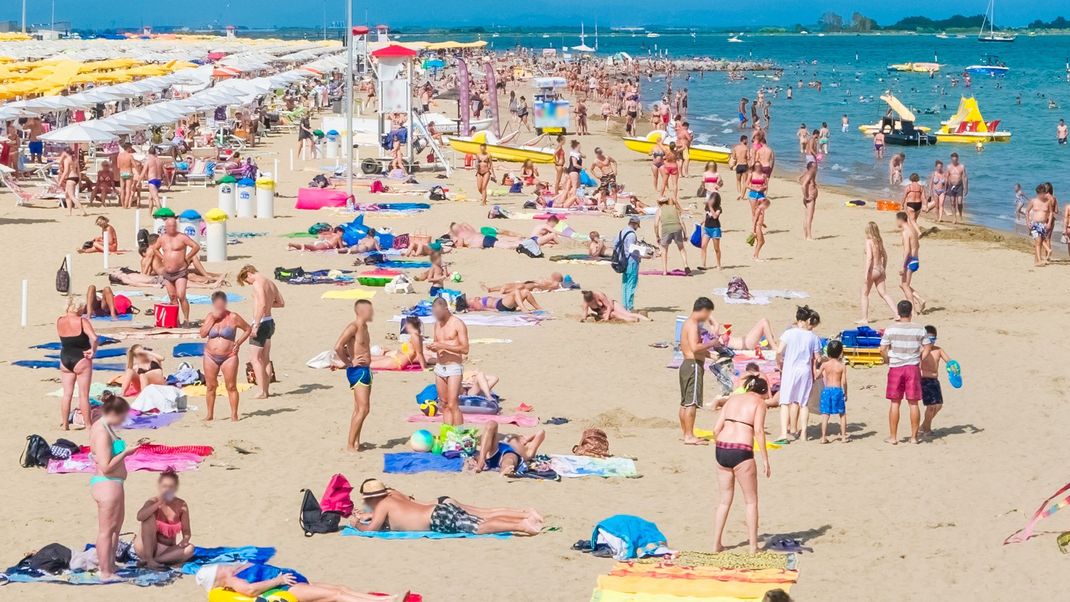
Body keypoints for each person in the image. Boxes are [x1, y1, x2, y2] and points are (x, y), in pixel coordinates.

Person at [349, 479, 542, 536]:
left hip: (436, 517)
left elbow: (372, 529)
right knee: (484, 518)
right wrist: (368, 515)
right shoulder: (392, 496)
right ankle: (522, 519)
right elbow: (396, 513)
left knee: (480, 527)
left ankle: (523, 525)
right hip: (437, 511)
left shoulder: (383, 505)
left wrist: (358, 524)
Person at [712, 375, 770, 554]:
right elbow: (759, 430)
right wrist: (765, 460)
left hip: (722, 448)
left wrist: (721, 444)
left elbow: (715, 430)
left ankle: (716, 544)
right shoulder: (759, 403)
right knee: (751, 501)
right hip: (741, 449)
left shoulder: (732, 399)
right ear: (762, 392)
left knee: (724, 501)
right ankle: (753, 547)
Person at [89, 393, 140, 582]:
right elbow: (106, 465)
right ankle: (105, 571)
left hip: (114, 484)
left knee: (115, 529)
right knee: (106, 531)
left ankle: (110, 565)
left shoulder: (106, 427)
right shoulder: (101, 431)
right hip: (106, 484)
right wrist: (127, 452)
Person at [195, 562, 391, 601]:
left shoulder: (232, 571)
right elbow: (250, 591)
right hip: (286, 586)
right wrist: (278, 579)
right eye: (218, 569)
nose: (221, 566)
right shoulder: (232, 580)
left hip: (289, 579)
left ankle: (380, 599)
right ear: (217, 576)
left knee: (338, 589)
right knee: (336, 594)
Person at [880, 300, 931, 445]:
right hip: (912, 367)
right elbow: (927, 347)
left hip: (896, 366)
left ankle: (893, 437)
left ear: (898, 311)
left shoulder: (891, 329)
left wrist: (886, 360)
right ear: (910, 312)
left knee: (895, 402)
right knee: (913, 403)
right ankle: (914, 437)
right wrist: (921, 357)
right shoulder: (919, 329)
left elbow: (882, 349)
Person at [200, 291, 252, 421]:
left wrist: (238, 343)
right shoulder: (210, 316)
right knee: (211, 386)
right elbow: (202, 334)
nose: (219, 307)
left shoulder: (233, 317)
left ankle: (234, 415)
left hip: (229, 356)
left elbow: (248, 329)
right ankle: (210, 414)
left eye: (221, 304)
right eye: (216, 304)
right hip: (210, 356)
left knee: (231, 386)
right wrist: (212, 319)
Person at [776, 306, 822, 442]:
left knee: (785, 402)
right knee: (803, 403)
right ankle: (803, 434)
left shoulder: (789, 333)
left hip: (790, 370)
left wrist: (778, 363)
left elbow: (779, 351)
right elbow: (818, 357)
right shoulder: (813, 337)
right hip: (805, 371)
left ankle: (784, 433)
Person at [333, 300, 374, 451]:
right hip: (358, 371)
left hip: (365, 370)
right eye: (369, 310)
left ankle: (356, 442)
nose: (372, 313)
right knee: (363, 409)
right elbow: (338, 346)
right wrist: (349, 362)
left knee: (359, 409)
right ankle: (350, 445)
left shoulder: (365, 327)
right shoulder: (354, 327)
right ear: (361, 311)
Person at [238, 265, 284, 398]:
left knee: (255, 359)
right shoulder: (270, 282)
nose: (248, 283)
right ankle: (266, 390)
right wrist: (269, 305)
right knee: (265, 358)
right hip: (269, 322)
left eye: (247, 281)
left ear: (249, 273)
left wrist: (256, 325)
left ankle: (261, 391)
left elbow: (263, 305)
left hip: (262, 323)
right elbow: (281, 303)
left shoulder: (258, 283)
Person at [146, 215, 201, 326]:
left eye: (173, 225)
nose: (172, 228)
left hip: (180, 271)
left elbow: (196, 246)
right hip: (167, 272)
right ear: (166, 227)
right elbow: (155, 248)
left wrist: (187, 257)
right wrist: (162, 257)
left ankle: (186, 320)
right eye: (169, 226)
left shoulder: (182, 237)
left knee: (181, 295)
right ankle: (176, 321)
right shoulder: (162, 238)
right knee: (172, 297)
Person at [679, 297, 719, 445]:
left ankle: (686, 433)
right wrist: (712, 343)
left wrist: (709, 355)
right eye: (708, 313)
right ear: (703, 311)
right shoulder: (693, 324)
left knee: (685, 402)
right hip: (693, 365)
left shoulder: (687, 323)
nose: (708, 317)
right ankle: (689, 436)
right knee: (691, 402)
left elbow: (690, 347)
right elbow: (695, 347)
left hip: (686, 364)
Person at [134, 470, 194, 568]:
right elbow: (140, 516)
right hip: (147, 547)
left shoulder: (182, 505)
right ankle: (148, 558)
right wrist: (158, 504)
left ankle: (152, 561)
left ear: (175, 488)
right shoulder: (153, 501)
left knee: (190, 549)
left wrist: (185, 540)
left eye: (170, 487)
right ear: (159, 486)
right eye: (164, 486)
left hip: (166, 550)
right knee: (148, 517)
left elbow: (187, 532)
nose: (167, 490)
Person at [57, 297, 98, 430]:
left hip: (65, 358)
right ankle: (88, 424)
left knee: (67, 393)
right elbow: (94, 338)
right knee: (83, 394)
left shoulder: (59, 321)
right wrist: (93, 350)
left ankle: (65, 424)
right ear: (79, 308)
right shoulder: (82, 321)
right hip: (81, 358)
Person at [428, 297, 468, 426]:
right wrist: (433, 347)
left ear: (446, 309)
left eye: (439, 313)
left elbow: (465, 348)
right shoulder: (437, 324)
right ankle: (448, 435)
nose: (437, 317)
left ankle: (459, 435)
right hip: (440, 367)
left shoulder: (457, 323)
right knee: (444, 403)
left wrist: (443, 346)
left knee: (452, 404)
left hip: (454, 367)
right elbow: (438, 343)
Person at [858, 221, 898, 325]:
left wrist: (866, 273)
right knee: (884, 293)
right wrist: (884, 269)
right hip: (880, 269)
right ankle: (897, 313)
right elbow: (885, 256)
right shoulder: (879, 241)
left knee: (864, 293)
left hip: (873, 269)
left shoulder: (869, 241)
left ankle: (864, 318)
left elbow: (869, 258)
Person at [470, 422, 546, 475]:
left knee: (509, 458)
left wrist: (528, 438)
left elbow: (541, 432)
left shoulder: (529, 450)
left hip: (510, 454)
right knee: (491, 424)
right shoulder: (512, 440)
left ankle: (506, 469)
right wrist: (524, 438)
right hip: (496, 450)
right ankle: (481, 461)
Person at [919, 325, 950, 436]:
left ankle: (923, 426)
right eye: (929, 339)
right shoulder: (920, 351)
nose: (931, 342)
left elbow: (950, 362)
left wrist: (954, 369)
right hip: (924, 381)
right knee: (931, 406)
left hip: (934, 381)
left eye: (933, 339)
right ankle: (927, 429)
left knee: (938, 405)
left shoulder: (938, 350)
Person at [816, 340, 848, 443]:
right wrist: (846, 392)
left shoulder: (825, 364)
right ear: (840, 353)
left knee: (825, 414)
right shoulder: (842, 366)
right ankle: (843, 436)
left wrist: (814, 366)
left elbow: (817, 376)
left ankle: (823, 437)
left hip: (827, 390)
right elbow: (844, 381)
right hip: (837, 390)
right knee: (842, 414)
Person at [654, 197, 691, 276]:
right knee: (681, 248)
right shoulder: (675, 209)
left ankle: (664, 271)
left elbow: (656, 225)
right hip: (677, 228)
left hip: (666, 229)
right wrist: (685, 234)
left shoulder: (659, 210)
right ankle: (686, 265)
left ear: (659, 204)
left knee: (664, 250)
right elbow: (682, 222)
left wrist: (657, 236)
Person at [896, 212, 925, 313]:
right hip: (915, 259)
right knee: (903, 284)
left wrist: (902, 265)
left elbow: (907, 250)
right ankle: (920, 299)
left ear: (900, 220)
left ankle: (912, 311)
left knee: (905, 286)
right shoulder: (913, 230)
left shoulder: (905, 232)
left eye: (896, 220)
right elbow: (918, 246)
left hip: (910, 260)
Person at [616, 216, 641, 311]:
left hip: (622, 260)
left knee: (625, 283)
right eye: (637, 226)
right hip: (631, 261)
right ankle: (629, 306)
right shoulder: (632, 235)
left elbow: (615, 244)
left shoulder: (621, 232)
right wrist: (643, 252)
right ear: (635, 224)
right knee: (631, 283)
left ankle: (624, 305)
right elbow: (632, 249)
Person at [579, 289, 649, 322]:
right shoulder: (586, 301)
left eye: (592, 302)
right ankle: (633, 320)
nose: (590, 304)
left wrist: (606, 316)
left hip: (612, 304)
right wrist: (583, 319)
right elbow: (584, 312)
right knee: (615, 314)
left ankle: (646, 319)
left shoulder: (599, 295)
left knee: (626, 313)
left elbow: (609, 306)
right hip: (602, 312)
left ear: (594, 297)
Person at [1026, 184, 1052, 267]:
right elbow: (1027, 211)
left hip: (1043, 225)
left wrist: (1049, 223)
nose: (1042, 195)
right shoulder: (1033, 201)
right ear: (1037, 193)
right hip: (1034, 224)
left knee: (1040, 243)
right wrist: (1028, 222)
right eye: (1040, 193)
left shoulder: (1048, 202)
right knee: (1038, 242)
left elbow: (1051, 212)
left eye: (1043, 193)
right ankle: (1039, 261)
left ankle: (1036, 261)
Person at [58, 146, 86, 216]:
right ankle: (69, 212)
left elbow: (65, 171)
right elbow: (78, 171)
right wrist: (79, 181)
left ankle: (82, 211)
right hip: (75, 177)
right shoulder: (75, 159)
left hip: (70, 178)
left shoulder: (67, 160)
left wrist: (60, 181)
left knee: (72, 196)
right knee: (67, 195)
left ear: (65, 152)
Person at [701, 191, 723, 270]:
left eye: (712, 199)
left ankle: (718, 264)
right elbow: (705, 215)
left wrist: (710, 208)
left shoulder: (719, 208)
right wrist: (701, 222)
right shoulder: (707, 206)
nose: (710, 201)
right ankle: (703, 264)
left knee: (716, 249)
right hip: (707, 228)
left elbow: (715, 217)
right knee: (703, 246)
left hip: (715, 229)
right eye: (710, 199)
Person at [139, 147, 164, 211]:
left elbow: (143, 172)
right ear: (155, 153)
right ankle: (149, 214)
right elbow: (164, 171)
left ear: (148, 153)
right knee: (150, 197)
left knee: (156, 198)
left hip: (152, 181)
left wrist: (138, 182)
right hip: (159, 180)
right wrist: (167, 181)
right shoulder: (159, 161)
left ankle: (162, 214)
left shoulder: (148, 161)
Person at [945, 152, 968, 225]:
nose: (954, 161)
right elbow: (946, 177)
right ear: (951, 159)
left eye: (955, 159)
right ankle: (954, 217)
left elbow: (965, 177)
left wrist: (966, 188)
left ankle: (960, 214)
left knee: (959, 202)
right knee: (952, 202)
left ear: (957, 159)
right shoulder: (948, 167)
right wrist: (945, 188)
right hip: (951, 186)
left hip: (959, 186)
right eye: (953, 160)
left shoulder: (962, 166)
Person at [799, 160, 818, 240]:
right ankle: (809, 236)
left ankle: (806, 235)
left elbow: (800, 179)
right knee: (809, 217)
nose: (816, 169)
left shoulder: (807, 174)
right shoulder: (809, 174)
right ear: (810, 168)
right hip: (810, 198)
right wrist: (806, 196)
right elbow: (803, 186)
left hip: (809, 197)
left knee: (807, 216)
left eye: (816, 167)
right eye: (814, 167)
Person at [116, 142, 136, 209]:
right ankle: (126, 205)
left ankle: (122, 205)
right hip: (128, 172)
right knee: (128, 190)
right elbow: (135, 165)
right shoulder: (130, 156)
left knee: (122, 189)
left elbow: (118, 166)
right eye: (130, 148)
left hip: (122, 172)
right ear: (128, 148)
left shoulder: (119, 155)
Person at [729, 136, 749, 200]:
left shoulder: (736, 148)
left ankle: (739, 193)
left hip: (738, 165)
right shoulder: (746, 148)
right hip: (745, 165)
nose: (747, 141)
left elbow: (734, 157)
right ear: (744, 140)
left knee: (738, 181)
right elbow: (748, 157)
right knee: (744, 182)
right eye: (747, 140)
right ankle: (742, 196)